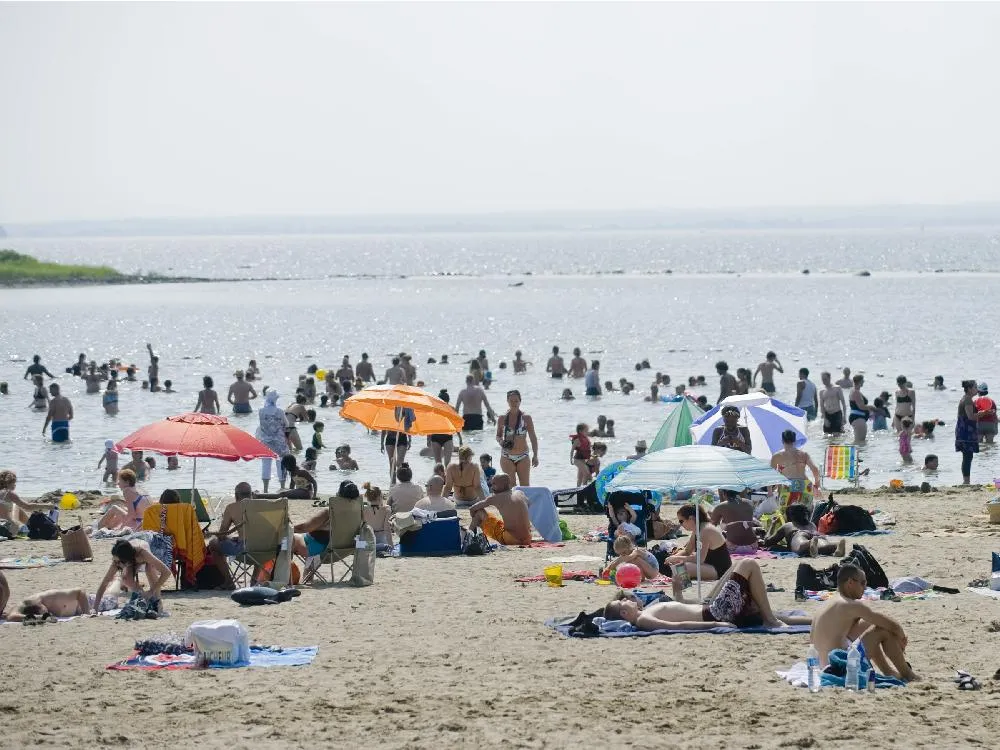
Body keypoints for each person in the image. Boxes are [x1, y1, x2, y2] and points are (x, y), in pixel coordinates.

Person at [605, 558, 810, 631]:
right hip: (716, 614)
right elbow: (680, 626)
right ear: (624, 613)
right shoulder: (644, 619)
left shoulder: (648, 611)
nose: (627, 599)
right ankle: (771, 620)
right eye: (624, 601)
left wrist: (678, 593)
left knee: (739, 565)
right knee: (748, 564)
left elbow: (685, 611)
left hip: (712, 607)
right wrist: (715, 624)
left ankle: (814, 619)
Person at [810, 563, 919, 680]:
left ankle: (889, 672)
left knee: (871, 624)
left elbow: (874, 622)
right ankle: (907, 674)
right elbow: (891, 625)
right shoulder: (850, 605)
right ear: (850, 583)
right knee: (882, 630)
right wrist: (901, 638)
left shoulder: (830, 603)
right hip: (838, 667)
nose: (865, 587)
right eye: (862, 583)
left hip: (821, 666)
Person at [93, 538, 172, 615]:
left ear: (126, 561)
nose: (116, 564)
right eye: (115, 561)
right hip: (129, 555)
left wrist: (152, 591)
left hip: (142, 549)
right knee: (126, 578)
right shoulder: (116, 561)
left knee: (150, 569)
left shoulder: (143, 553)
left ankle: (158, 604)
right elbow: (104, 583)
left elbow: (166, 572)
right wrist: (95, 608)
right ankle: (142, 598)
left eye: (118, 562)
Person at [292, 480, 361, 564]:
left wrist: (288, 529)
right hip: (345, 550)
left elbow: (305, 527)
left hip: (322, 551)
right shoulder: (358, 512)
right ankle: (308, 573)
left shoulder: (330, 512)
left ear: (338, 495)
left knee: (288, 538)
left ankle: (284, 573)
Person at [664, 503, 731, 581]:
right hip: (708, 565)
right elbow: (687, 551)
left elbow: (699, 559)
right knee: (678, 565)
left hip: (719, 570)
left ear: (691, 518)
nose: (681, 524)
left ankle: (681, 590)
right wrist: (673, 558)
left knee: (683, 567)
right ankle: (682, 587)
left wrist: (676, 558)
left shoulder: (705, 531)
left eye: (681, 521)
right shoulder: (698, 529)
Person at [468, 474, 532, 546]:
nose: (492, 487)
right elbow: (529, 504)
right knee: (499, 520)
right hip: (528, 538)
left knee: (479, 512)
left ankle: (468, 538)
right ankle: (474, 535)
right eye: (491, 484)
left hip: (511, 539)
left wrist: (476, 520)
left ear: (503, 485)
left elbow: (472, 509)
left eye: (494, 484)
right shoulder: (520, 493)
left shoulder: (496, 497)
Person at [763, 503, 846, 558]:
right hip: (816, 534)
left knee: (800, 547)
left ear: (790, 515)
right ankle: (836, 545)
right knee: (823, 547)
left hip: (799, 534)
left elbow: (767, 542)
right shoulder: (812, 524)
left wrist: (773, 525)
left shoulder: (789, 525)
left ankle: (809, 543)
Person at [495, 389, 539, 486]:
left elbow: (533, 437)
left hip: (522, 456)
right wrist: (501, 442)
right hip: (506, 456)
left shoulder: (526, 418)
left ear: (520, 401)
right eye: (511, 401)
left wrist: (535, 455)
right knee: (511, 486)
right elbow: (498, 436)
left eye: (516, 401)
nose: (514, 403)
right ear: (507, 401)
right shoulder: (502, 418)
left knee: (525, 486)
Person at [770, 430, 821, 508]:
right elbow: (815, 469)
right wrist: (817, 484)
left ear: (782, 441)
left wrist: (770, 491)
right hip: (805, 485)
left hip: (788, 486)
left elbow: (769, 475)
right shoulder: (804, 454)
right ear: (794, 440)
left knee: (786, 513)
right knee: (805, 512)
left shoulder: (777, 456)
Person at [256, 391, 290, 493]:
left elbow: (261, 425)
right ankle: (282, 487)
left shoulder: (261, 411)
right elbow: (286, 424)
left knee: (266, 465)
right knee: (280, 463)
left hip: (265, 442)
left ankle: (265, 489)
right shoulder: (280, 411)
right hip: (279, 442)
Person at [4, 586, 91, 622]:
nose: (47, 612)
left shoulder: (51, 596)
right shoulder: (25, 606)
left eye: (43, 612)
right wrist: (39, 618)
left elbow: (81, 591)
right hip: (77, 610)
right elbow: (11, 616)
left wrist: (87, 614)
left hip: (89, 601)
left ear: (40, 604)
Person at [956, 379, 982, 484]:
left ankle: (966, 481)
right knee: (967, 456)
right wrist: (983, 413)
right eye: (975, 387)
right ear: (970, 389)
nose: (977, 389)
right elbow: (970, 416)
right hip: (966, 430)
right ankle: (966, 481)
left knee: (967, 456)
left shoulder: (966, 399)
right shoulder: (967, 400)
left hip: (964, 430)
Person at [362, 483, 393, 552]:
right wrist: (392, 546)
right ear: (380, 497)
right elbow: (387, 529)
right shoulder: (387, 509)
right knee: (384, 545)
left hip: (368, 540)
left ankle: (370, 547)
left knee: (360, 545)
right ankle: (377, 547)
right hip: (381, 540)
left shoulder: (363, 509)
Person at [848, 374, 871, 444]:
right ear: (860, 381)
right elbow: (861, 406)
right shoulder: (856, 392)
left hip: (858, 418)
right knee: (860, 441)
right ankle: (855, 454)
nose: (863, 382)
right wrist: (872, 408)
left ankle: (858, 454)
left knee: (860, 441)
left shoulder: (855, 391)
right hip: (858, 418)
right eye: (863, 380)